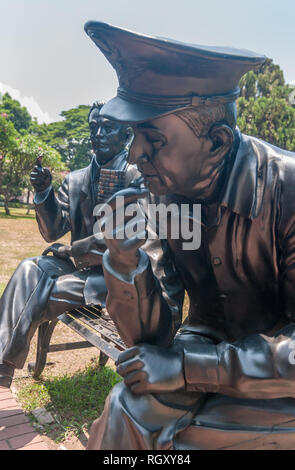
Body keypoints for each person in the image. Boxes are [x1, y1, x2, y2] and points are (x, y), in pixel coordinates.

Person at [83, 22, 295, 450]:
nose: (134, 155)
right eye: (134, 136)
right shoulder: (163, 196)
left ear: (217, 142)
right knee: (126, 405)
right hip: (204, 348)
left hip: (278, 379)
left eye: (152, 139)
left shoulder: (287, 190)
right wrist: (126, 265)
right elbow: (152, 341)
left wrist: (190, 368)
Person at [0, 101, 138, 387]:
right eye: (94, 127)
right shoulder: (75, 180)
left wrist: (71, 250)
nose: (98, 133)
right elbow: (52, 233)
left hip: (117, 275)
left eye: (108, 127)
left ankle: (4, 365)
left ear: (126, 135)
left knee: (43, 295)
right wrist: (44, 192)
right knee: (29, 267)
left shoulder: (139, 179)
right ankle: (2, 367)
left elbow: (131, 238)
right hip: (76, 268)